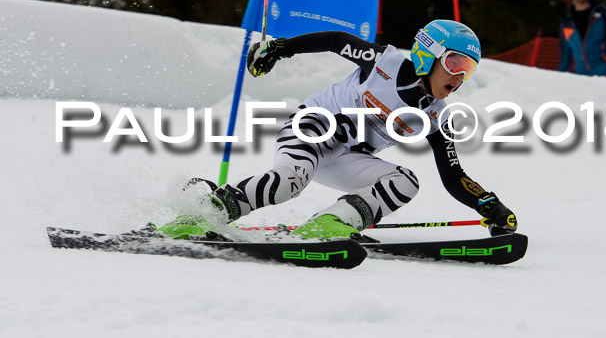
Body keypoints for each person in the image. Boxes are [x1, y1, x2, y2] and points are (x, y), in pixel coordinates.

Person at [191, 20, 517, 240]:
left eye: (468, 71)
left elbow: (453, 175)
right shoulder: (383, 63)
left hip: (345, 159)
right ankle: (202, 212)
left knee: (405, 182)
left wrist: (489, 204)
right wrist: (278, 49)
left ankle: (328, 227)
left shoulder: (436, 116)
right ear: (429, 53)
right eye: (456, 64)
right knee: (288, 184)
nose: (459, 79)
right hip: (313, 128)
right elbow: (336, 41)